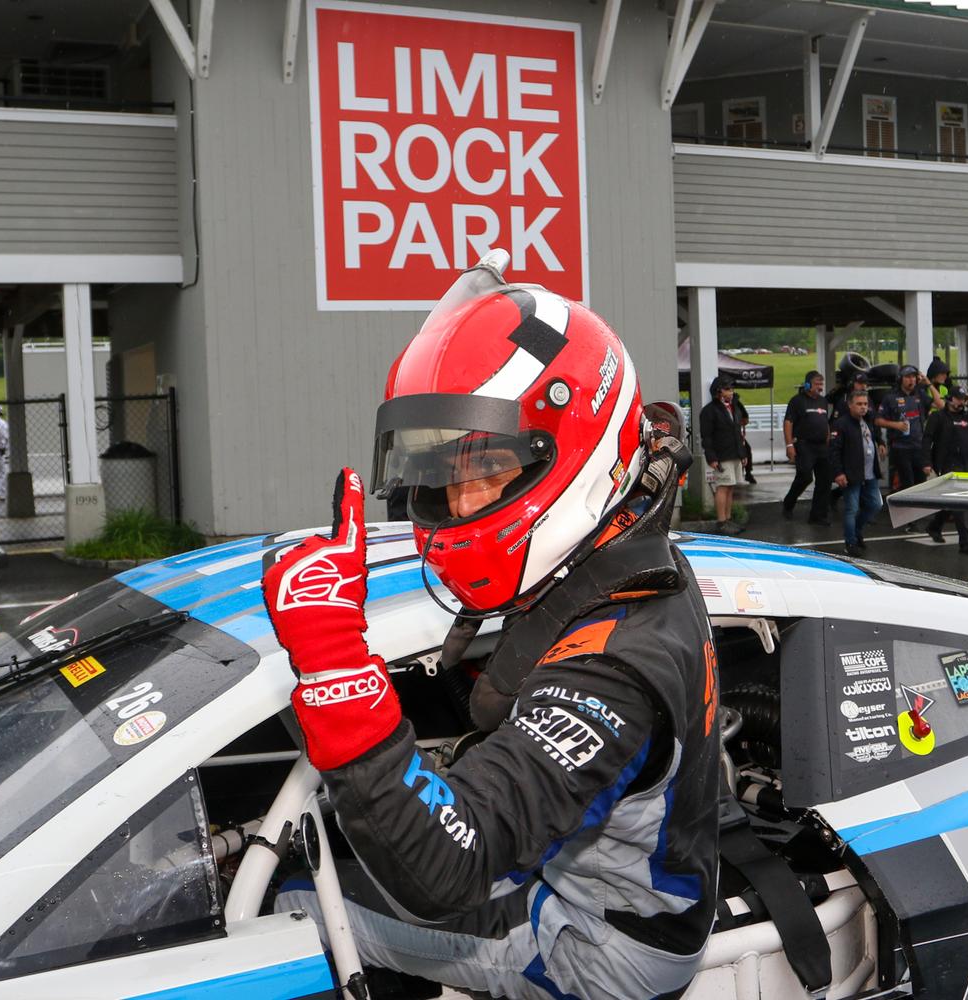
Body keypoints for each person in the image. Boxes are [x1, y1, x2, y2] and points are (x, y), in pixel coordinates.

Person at [263, 253, 719, 999]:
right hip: (614, 884)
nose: (459, 501)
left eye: (488, 468)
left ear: (574, 450)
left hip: (601, 941)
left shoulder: (616, 669)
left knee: (295, 900)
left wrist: (336, 665)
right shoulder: (624, 536)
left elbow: (448, 868)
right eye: (444, 469)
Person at [923, 387, 968, 555]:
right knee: (958, 502)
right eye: (958, 398)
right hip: (947, 465)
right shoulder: (938, 417)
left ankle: (934, 527)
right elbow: (927, 439)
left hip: (965, 464)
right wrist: (926, 461)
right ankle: (966, 542)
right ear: (950, 399)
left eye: (963, 398)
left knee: (950, 500)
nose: (961, 402)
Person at [830, 388, 883, 557]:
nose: (863, 407)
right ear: (850, 405)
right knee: (851, 509)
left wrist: (881, 442)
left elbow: (874, 437)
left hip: (870, 473)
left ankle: (857, 530)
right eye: (859, 404)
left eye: (865, 404)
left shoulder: (868, 421)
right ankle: (850, 542)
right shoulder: (841, 424)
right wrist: (838, 473)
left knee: (876, 504)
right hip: (852, 473)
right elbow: (834, 450)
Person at [781, 370, 832, 524]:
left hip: (822, 446)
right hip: (804, 445)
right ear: (808, 384)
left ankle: (817, 515)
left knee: (825, 480)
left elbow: (825, 422)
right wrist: (789, 445)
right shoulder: (797, 401)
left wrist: (828, 438)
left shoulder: (823, 401)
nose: (820, 387)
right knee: (805, 476)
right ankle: (788, 503)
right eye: (817, 384)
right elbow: (788, 422)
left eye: (821, 384)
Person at [876, 364, 934, 493]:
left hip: (918, 447)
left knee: (921, 484)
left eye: (913, 377)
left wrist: (929, 384)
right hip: (900, 448)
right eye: (908, 377)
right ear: (900, 379)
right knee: (906, 484)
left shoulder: (920, 394)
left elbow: (940, 404)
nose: (911, 380)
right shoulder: (890, 397)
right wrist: (895, 425)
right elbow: (878, 420)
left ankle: (917, 511)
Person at [700, 375, 746, 534]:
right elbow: (706, 436)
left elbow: (738, 432)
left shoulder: (734, 408)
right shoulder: (709, 411)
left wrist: (743, 453)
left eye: (731, 389)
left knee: (731, 487)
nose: (731, 392)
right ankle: (721, 521)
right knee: (723, 486)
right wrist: (711, 457)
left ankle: (728, 519)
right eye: (727, 389)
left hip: (735, 453)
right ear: (718, 391)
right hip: (721, 455)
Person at [732, 389, 757, 485]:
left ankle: (748, 472)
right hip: (727, 435)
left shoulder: (737, 404)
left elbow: (745, 419)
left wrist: (737, 424)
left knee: (747, 449)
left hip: (737, 434)